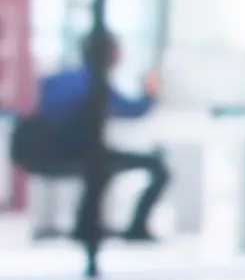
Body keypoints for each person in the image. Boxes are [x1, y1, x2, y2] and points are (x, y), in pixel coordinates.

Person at [10, 30, 170, 242]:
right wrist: (150, 92)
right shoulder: (96, 84)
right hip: (73, 154)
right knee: (155, 168)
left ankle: (86, 225)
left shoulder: (53, 80)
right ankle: (134, 229)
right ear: (109, 53)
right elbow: (133, 110)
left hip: (35, 154)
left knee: (102, 166)